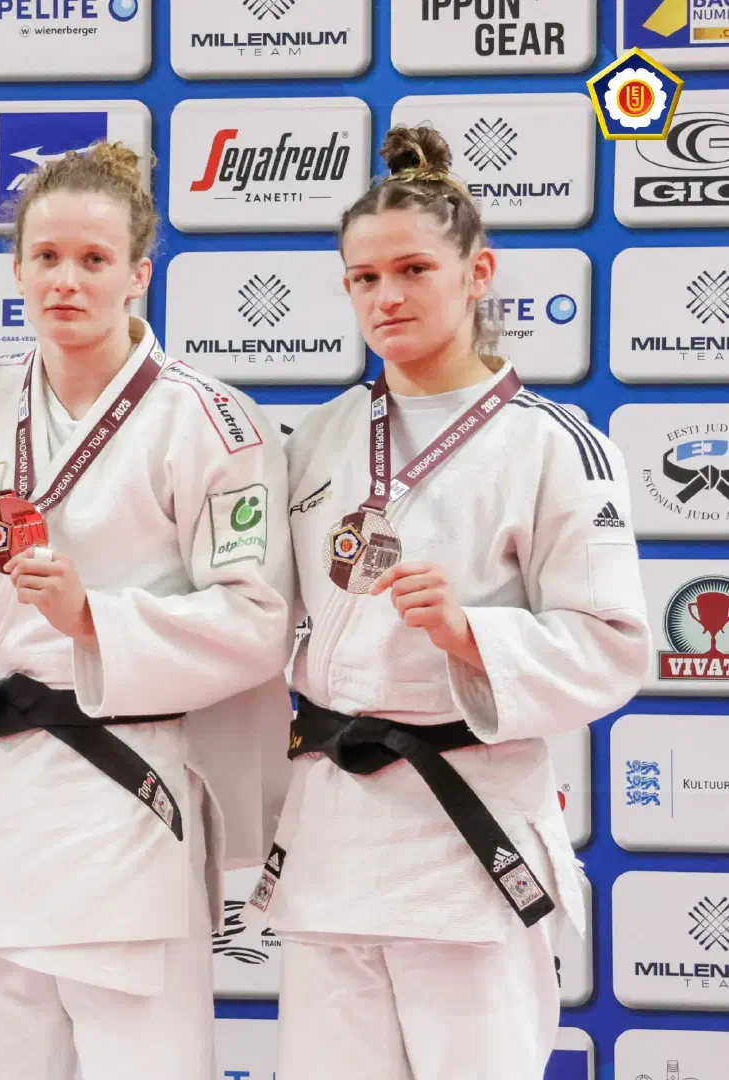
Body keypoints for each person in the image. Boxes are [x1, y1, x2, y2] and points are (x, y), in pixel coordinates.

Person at [0, 141, 297, 1080]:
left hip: (122, 793)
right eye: (45, 257)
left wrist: (94, 623)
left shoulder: (209, 420)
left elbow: (257, 620)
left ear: (139, 275)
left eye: (93, 259)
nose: (65, 281)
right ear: (16, 269)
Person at [266, 126, 650, 1080]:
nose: (386, 297)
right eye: (364, 278)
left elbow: (613, 646)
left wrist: (470, 631)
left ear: (478, 273)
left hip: (466, 832)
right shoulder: (316, 439)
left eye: (413, 270)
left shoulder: (555, 444)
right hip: (333, 833)